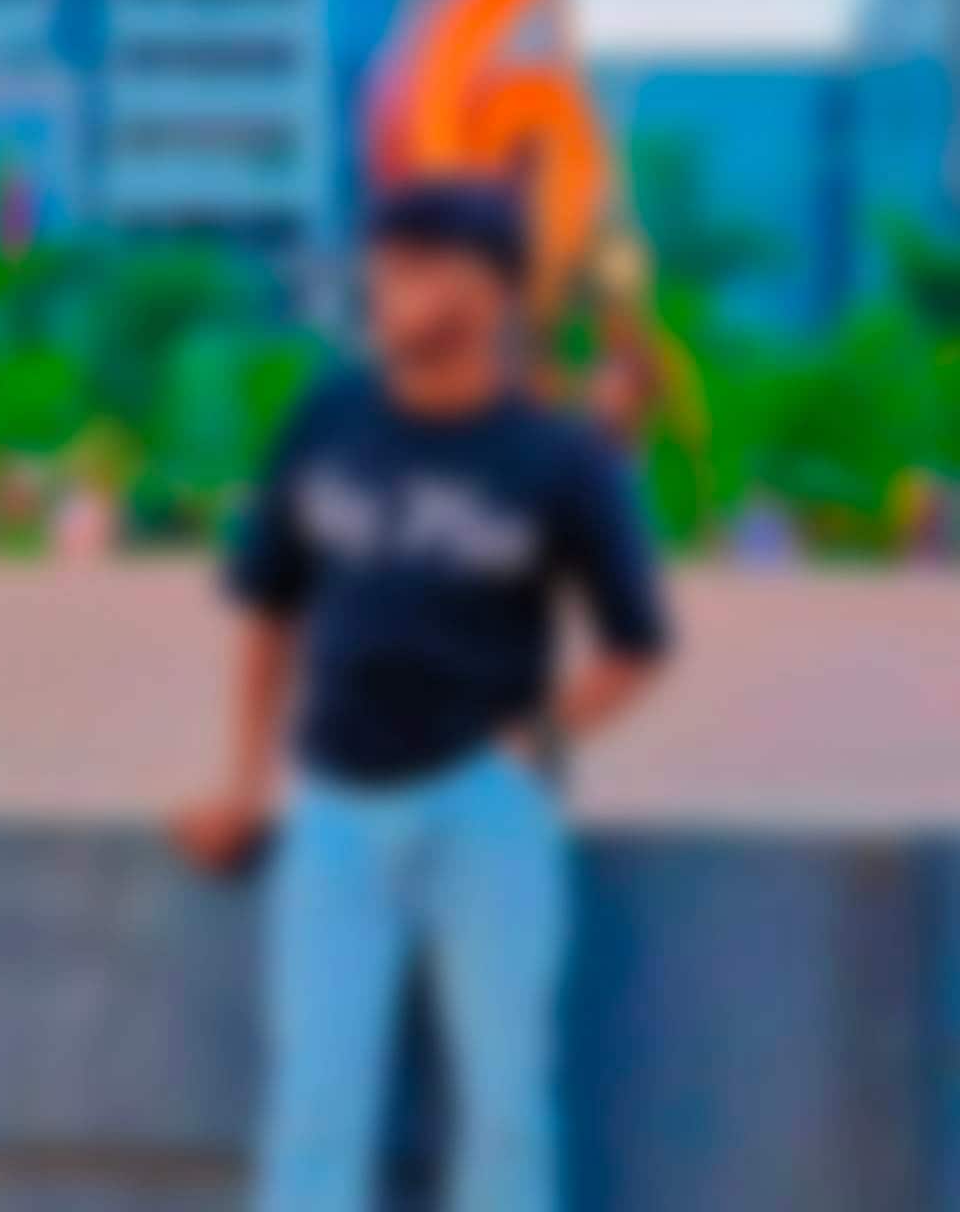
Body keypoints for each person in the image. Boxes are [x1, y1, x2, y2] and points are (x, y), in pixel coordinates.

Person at [174, 178, 670, 1212]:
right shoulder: (328, 419)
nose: (393, 291)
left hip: (487, 811)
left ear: (493, 296)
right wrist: (244, 784)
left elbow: (636, 644)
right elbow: (269, 610)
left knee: (504, 1105)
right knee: (314, 1102)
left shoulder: (556, 460)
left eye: (423, 268)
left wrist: (532, 743)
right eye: (387, 267)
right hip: (333, 810)